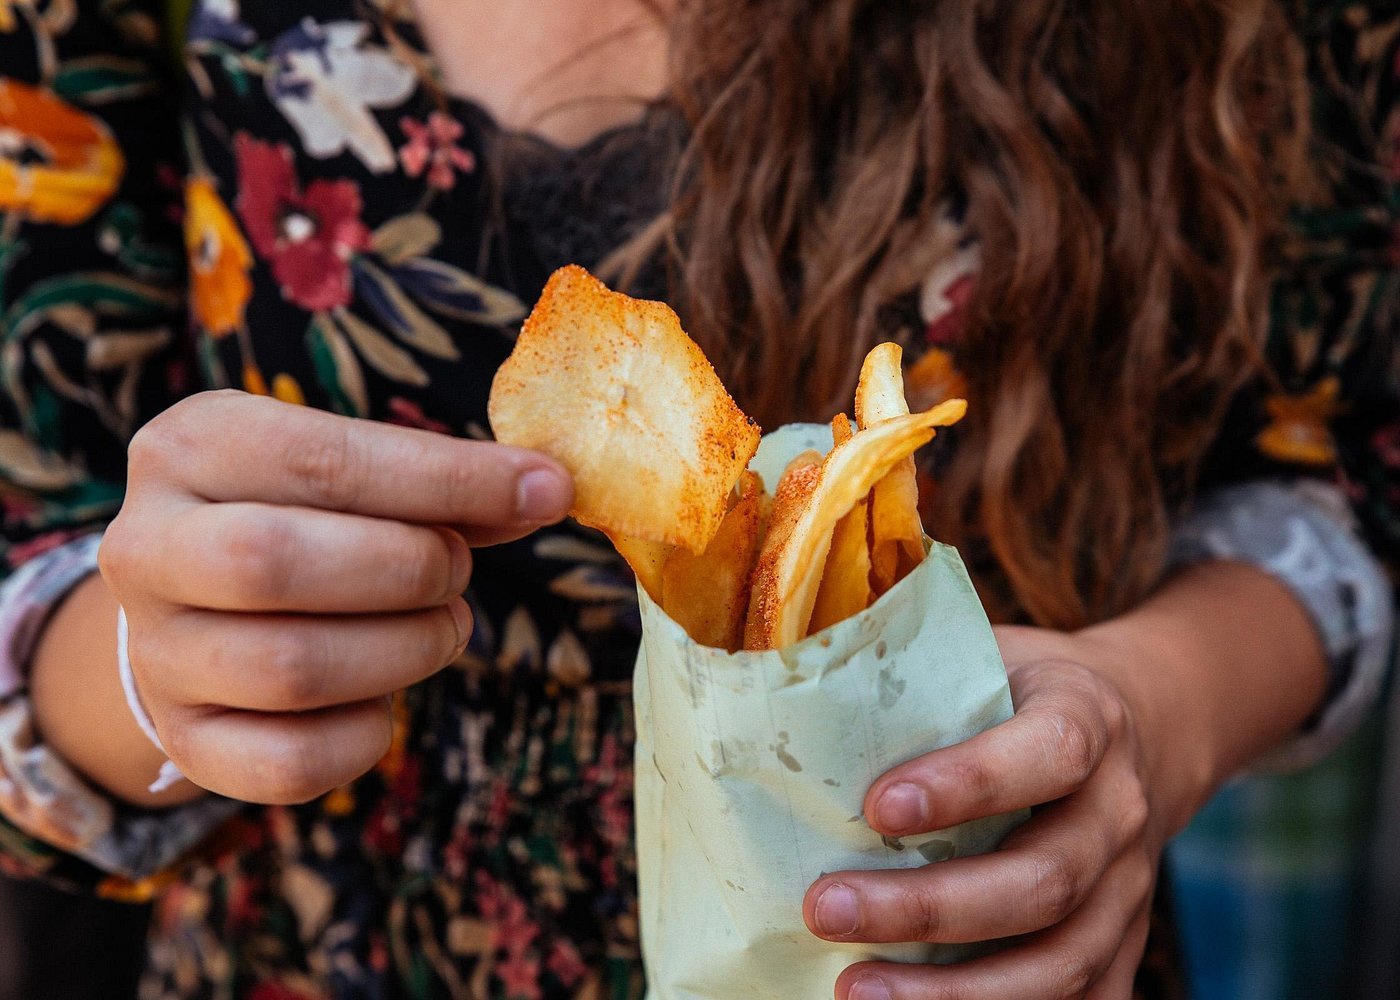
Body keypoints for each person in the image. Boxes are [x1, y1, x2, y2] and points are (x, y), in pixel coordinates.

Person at [0, 0, 1394, 998]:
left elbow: (1329, 475)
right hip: (320, 941)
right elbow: (38, 547)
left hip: (955, 937)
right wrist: (144, 665)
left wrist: (1154, 706)